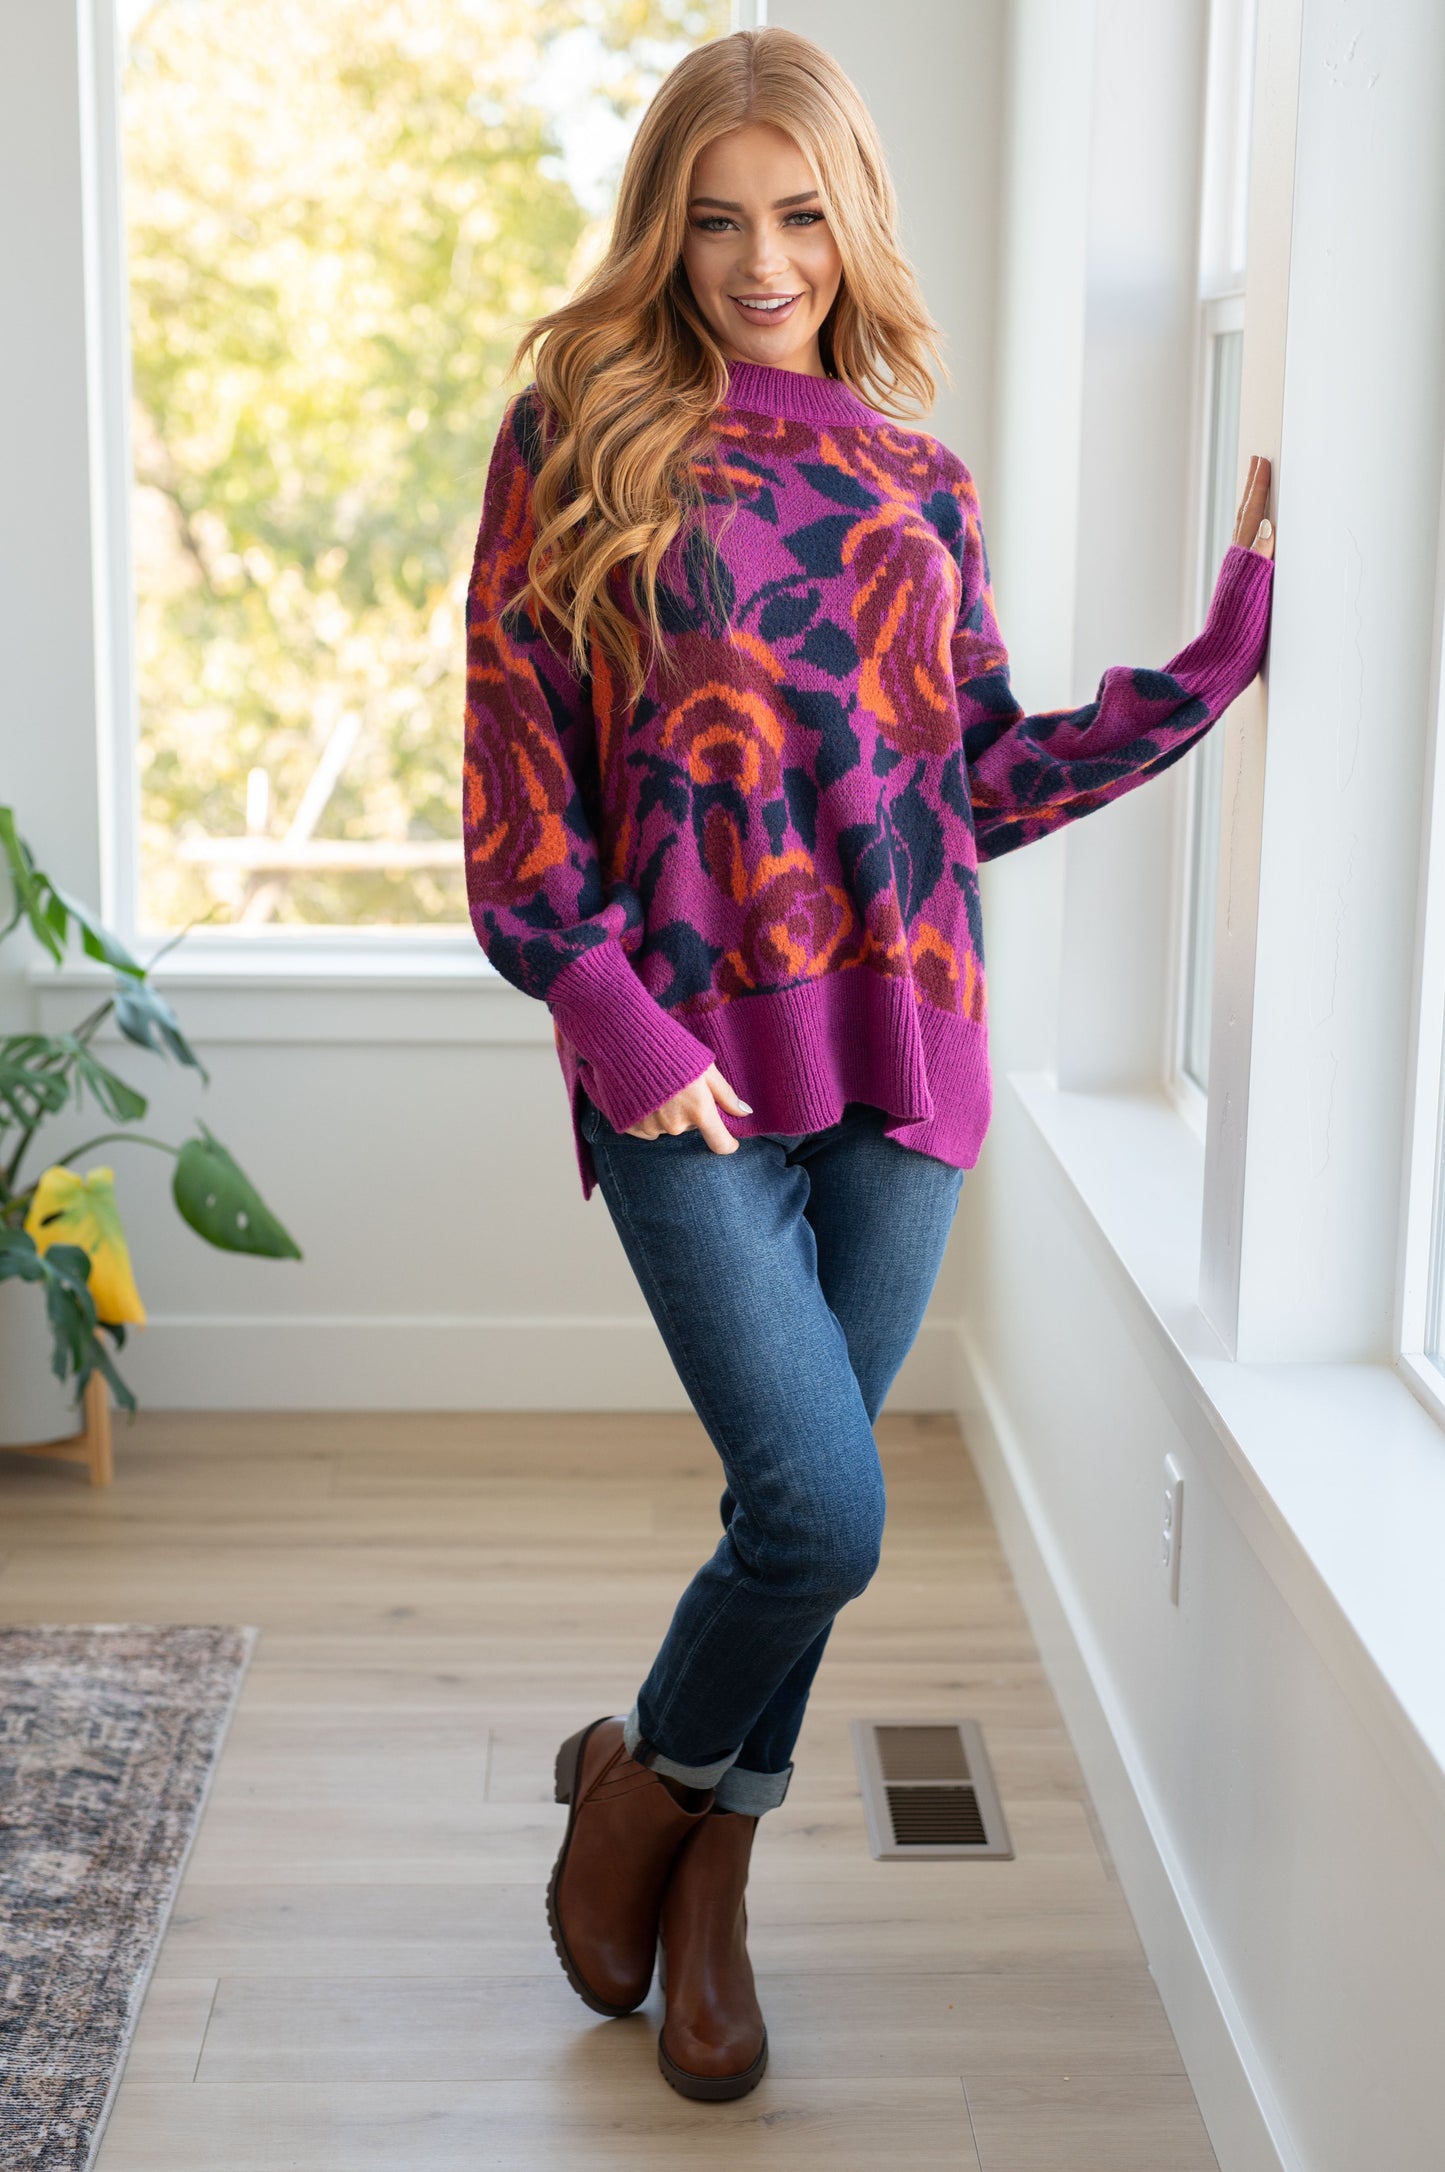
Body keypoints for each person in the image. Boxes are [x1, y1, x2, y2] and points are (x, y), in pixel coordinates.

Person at [461, 25, 1275, 2103]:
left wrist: (1215, 661)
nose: (761, 263)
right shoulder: (576, 433)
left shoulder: (919, 480)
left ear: (854, 224)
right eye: (716, 221)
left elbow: (970, 775)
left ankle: (700, 1866)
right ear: (662, 230)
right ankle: (638, 1795)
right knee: (821, 1515)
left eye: (801, 217)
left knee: (787, 1508)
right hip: (682, 1070)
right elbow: (514, 779)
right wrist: (608, 1014)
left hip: (908, 1061)